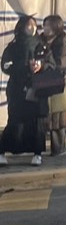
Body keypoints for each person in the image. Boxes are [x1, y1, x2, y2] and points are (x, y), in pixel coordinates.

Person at [0, 16, 45, 166]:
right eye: (28, 25)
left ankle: (37, 153)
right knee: (15, 121)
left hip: (36, 88)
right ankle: (2, 150)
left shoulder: (41, 44)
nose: (32, 28)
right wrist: (25, 65)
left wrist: (41, 65)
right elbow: (5, 65)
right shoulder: (13, 46)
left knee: (36, 122)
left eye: (34, 25)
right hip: (17, 89)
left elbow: (49, 61)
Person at [35, 15, 66, 157]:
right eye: (45, 25)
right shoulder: (39, 41)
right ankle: (37, 151)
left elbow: (60, 64)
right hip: (42, 84)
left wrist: (45, 60)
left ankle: (59, 150)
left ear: (56, 27)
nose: (45, 28)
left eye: (48, 25)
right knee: (41, 117)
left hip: (57, 85)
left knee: (57, 118)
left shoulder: (62, 44)